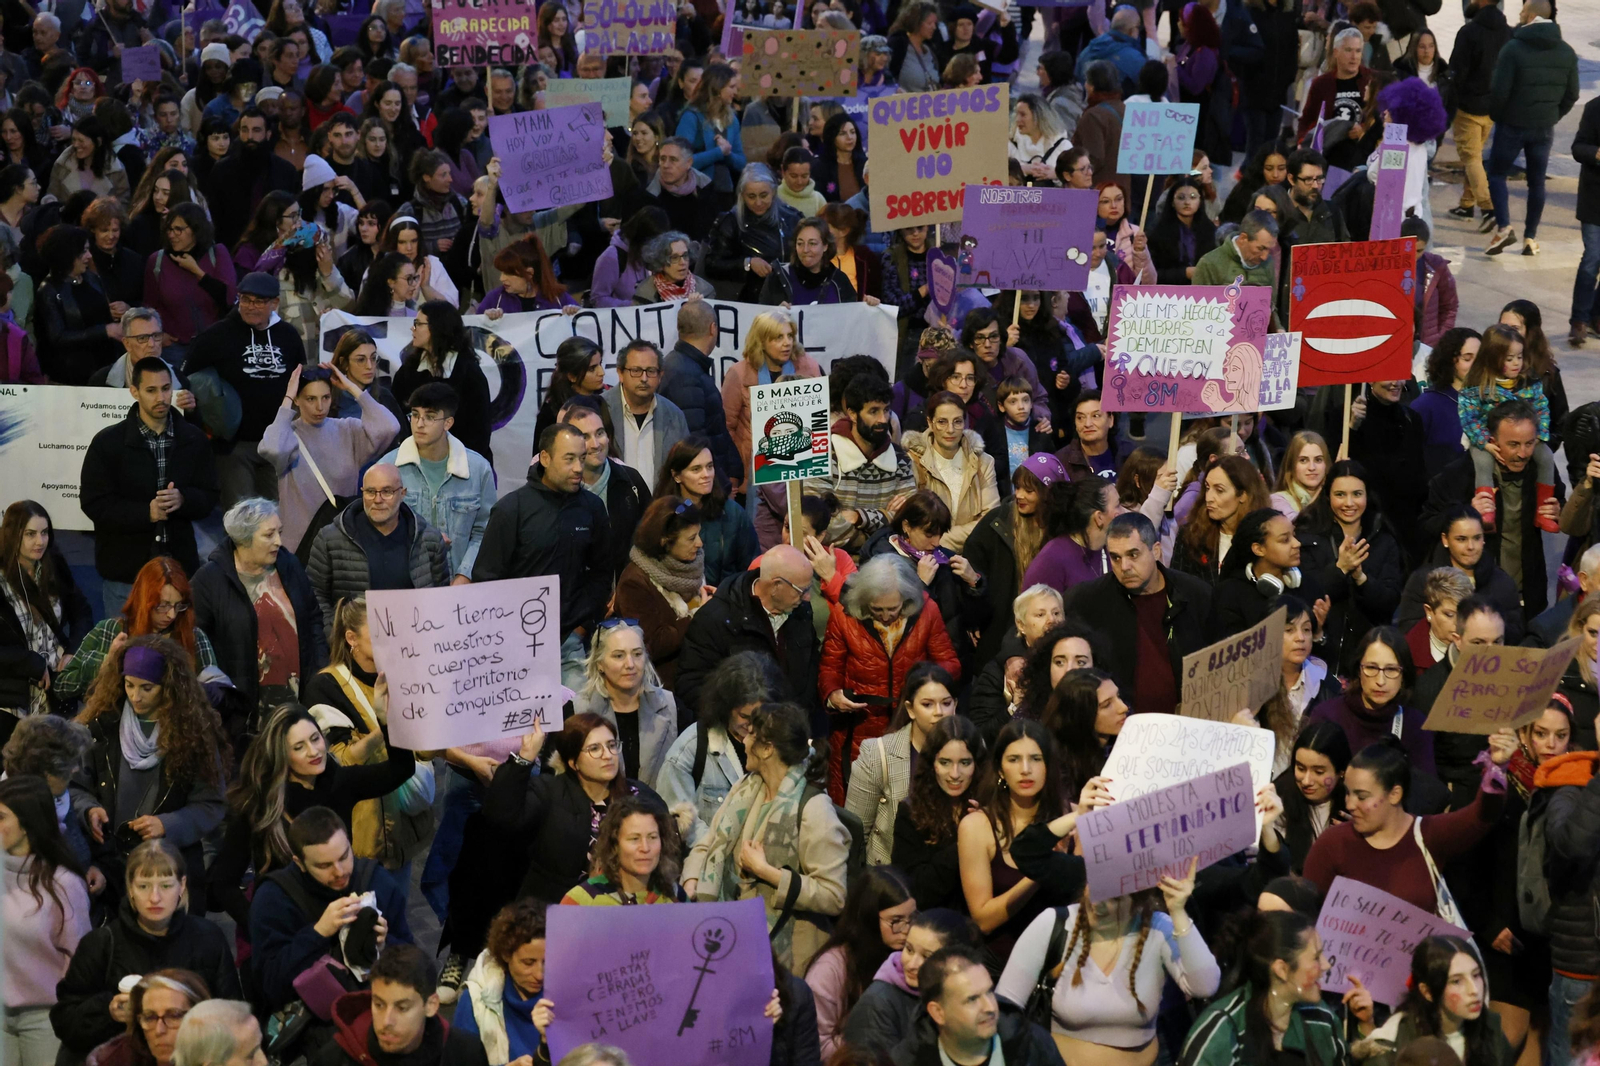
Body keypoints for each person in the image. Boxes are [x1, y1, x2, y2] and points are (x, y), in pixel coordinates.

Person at [998, 849, 1218, 1065]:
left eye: (1114, 898)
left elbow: (1205, 986)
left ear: (1137, 902)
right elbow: (1005, 1007)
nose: (1097, 903)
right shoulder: (1054, 924)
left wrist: (1178, 912)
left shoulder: (1158, 928)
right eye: (1094, 888)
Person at [683, 701, 849, 971]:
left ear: (768, 748)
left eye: (751, 735)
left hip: (788, 962)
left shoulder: (814, 809)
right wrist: (692, 881)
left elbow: (834, 895)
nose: (744, 740)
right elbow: (709, 841)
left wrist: (766, 871)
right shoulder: (746, 787)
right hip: (732, 942)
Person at [51, 842, 239, 1060]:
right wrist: (108, 1012)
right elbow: (64, 1022)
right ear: (130, 888)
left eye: (166, 886)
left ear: (182, 885)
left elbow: (233, 1018)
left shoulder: (208, 938)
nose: (155, 897)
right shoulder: (101, 944)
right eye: (144, 886)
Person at [1304, 735, 1513, 915]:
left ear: (1395, 794)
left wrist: (1496, 768)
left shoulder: (1429, 835)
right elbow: (1306, 914)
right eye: (1348, 793)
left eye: (1362, 796)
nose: (1349, 804)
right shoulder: (1332, 844)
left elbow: (1481, 817)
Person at [472, 424, 609, 690]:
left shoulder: (592, 508)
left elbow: (602, 572)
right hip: (514, 649)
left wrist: (582, 625)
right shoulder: (511, 509)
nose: (579, 468)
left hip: (570, 644)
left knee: (579, 727)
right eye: (569, 459)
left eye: (581, 459)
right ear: (545, 458)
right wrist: (508, 637)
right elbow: (486, 580)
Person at [80, 356, 218, 615]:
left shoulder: (193, 439)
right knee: (126, 651)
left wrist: (183, 500)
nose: (161, 398)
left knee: (178, 652)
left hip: (179, 571)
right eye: (151, 390)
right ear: (134, 392)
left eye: (166, 389)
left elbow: (210, 495)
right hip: (125, 575)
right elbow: (94, 503)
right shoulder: (108, 443)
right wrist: (147, 512)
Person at [820, 555, 961, 800]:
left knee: (908, 803)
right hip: (859, 729)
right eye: (877, 610)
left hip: (913, 726)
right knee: (858, 805)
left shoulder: (926, 609)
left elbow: (949, 662)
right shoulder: (845, 615)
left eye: (893, 609)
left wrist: (925, 686)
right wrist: (833, 694)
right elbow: (830, 667)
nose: (885, 616)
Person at [484, 712, 661, 904]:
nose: (607, 755)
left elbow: (668, 847)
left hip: (630, 910)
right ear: (573, 762)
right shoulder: (549, 792)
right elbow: (502, 816)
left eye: (611, 746)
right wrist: (524, 757)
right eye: (594, 748)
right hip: (555, 910)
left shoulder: (639, 795)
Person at [247, 806, 412, 1013]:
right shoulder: (274, 899)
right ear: (300, 863)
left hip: (376, 1010)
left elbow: (413, 961)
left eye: (344, 857)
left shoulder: (376, 880)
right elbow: (269, 986)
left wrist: (385, 944)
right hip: (312, 1023)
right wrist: (318, 933)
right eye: (324, 866)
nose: (340, 872)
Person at [1422, 400, 1563, 618]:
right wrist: (1464, 514)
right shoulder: (1458, 474)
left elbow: (1560, 502)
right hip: (1472, 598)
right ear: (1492, 440)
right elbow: (1426, 524)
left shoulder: (1541, 469)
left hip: (1527, 596)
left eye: (1530, 443)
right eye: (1514, 444)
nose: (1523, 453)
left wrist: (1557, 511)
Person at [1064, 512, 1212, 717]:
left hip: (1187, 727)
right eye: (1115, 557)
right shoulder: (1087, 600)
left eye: (1133, 555)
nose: (1124, 567)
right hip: (1120, 732)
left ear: (1156, 551)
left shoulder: (1196, 595)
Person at [191, 498, 324, 717]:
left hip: (300, 703)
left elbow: (313, 618)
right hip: (243, 712)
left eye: (279, 532)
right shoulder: (209, 581)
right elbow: (195, 640)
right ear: (244, 539)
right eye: (269, 535)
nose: (279, 541)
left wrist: (319, 671)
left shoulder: (288, 565)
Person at [183, 272, 303, 509]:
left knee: (280, 517)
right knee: (242, 518)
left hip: (278, 442)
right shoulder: (217, 334)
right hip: (234, 446)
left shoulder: (288, 335)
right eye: (245, 299)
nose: (251, 306)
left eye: (259, 301)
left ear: (274, 304)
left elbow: (301, 379)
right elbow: (185, 374)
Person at [676, 543, 820, 731]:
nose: (808, 597)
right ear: (776, 585)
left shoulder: (801, 611)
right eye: (802, 590)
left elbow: (811, 666)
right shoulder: (716, 618)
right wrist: (739, 720)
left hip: (789, 734)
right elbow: (690, 683)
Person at [1179, 910, 1352, 1066]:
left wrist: (1366, 1027)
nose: (1326, 965)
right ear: (1282, 970)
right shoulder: (1221, 1032)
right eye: (1316, 957)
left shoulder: (1321, 1019)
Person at [261, 364, 401, 554]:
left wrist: (353, 388)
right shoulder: (288, 435)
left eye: (325, 397)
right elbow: (272, 450)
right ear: (298, 399)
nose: (320, 406)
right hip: (299, 546)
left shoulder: (347, 430)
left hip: (342, 542)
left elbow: (390, 427)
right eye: (311, 399)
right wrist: (287, 398)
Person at [958, 719, 1063, 972]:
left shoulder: (1071, 820)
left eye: (1036, 759)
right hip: (999, 965)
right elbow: (983, 920)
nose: (1026, 769)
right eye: (1014, 759)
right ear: (1001, 770)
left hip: (1063, 964)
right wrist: (1039, 872)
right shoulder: (977, 826)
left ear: (1049, 765)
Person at [0, 774, 90, 1066]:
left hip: (46, 1018)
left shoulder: (64, 884)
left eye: (1, 817)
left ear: (27, 824)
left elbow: (81, 961)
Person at [305, 462, 450, 635]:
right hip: (353, 649)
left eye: (387, 491)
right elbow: (315, 594)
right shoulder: (330, 539)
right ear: (362, 492)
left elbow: (441, 597)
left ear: (402, 493)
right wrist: (335, 637)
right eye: (371, 492)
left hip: (413, 648)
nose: (378, 499)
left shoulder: (429, 540)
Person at [1483, 0, 1579, 257]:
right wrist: (1553, 115)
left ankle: (1504, 227)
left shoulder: (1513, 49)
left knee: (1496, 173)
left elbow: (1499, 92)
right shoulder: (1567, 52)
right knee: (1537, 183)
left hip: (1512, 125)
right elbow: (1572, 94)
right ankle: (1530, 237)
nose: (1519, 14)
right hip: (1544, 127)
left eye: (1523, 11)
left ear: (1532, 16)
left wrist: (1498, 116)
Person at [1293, 461, 1404, 671]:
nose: (1349, 503)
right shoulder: (1308, 536)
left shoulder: (1383, 539)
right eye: (1340, 494)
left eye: (1357, 494)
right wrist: (1340, 569)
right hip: (1319, 650)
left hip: (1368, 653)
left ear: (1367, 495)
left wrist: (1361, 579)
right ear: (1328, 496)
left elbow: (1390, 601)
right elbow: (1304, 594)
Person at [844, 662, 958, 867]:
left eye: (946, 703)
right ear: (910, 709)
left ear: (955, 705)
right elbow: (854, 833)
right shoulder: (878, 754)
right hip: (891, 878)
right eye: (927, 704)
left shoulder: (973, 749)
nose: (939, 712)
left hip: (951, 875)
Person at [379, 382, 494, 584]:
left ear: (448, 423)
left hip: (459, 586)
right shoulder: (388, 468)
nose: (419, 424)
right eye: (415, 415)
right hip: (405, 586)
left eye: (430, 417)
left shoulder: (477, 469)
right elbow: (376, 530)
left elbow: (485, 531)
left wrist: (464, 575)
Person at [890, 944, 1066, 1066]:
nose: (990, 1007)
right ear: (938, 1013)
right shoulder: (906, 1061)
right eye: (972, 999)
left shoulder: (1034, 1044)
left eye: (989, 992)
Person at [842, 909, 984, 1056]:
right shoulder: (876, 1004)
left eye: (926, 956)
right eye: (909, 950)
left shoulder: (965, 997)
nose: (912, 964)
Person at [805, 868, 914, 1057]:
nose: (907, 929)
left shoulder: (910, 956)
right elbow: (818, 1045)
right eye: (896, 921)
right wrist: (872, 1040)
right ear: (868, 918)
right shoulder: (830, 969)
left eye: (912, 918)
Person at [320, 943, 488, 1066]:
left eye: (402, 1008)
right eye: (379, 1005)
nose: (386, 1021)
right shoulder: (334, 1058)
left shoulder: (466, 1054)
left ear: (431, 1005)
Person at [1358, 936, 1513, 1066]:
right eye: (1457, 981)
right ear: (1427, 992)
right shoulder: (1392, 1045)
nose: (1474, 990)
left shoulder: (1491, 1029)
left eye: (1476, 975)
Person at [891, 716, 987, 912]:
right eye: (945, 762)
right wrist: (967, 841)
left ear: (977, 765)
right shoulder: (911, 812)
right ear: (931, 764)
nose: (954, 773)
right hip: (932, 924)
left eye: (965, 763)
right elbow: (915, 892)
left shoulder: (990, 807)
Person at [391, 301, 492, 464]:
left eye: (418, 324)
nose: (413, 329)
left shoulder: (469, 373)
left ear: (437, 327)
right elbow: (397, 418)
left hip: (462, 464)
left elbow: (480, 430)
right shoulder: (408, 370)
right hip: (415, 462)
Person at [828, 374, 918, 552]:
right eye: (873, 411)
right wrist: (884, 520)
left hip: (885, 563)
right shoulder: (825, 455)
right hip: (831, 561)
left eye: (886, 410)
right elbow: (820, 526)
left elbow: (911, 522)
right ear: (852, 413)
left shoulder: (901, 459)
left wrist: (860, 517)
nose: (883, 419)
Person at [658, 300, 743, 487]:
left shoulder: (686, 367)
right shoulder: (685, 374)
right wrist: (720, 484)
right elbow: (695, 440)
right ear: (713, 328)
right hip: (704, 488)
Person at [902, 391, 999, 554]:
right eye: (942, 422)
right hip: (923, 556)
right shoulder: (913, 461)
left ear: (965, 423)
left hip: (970, 555)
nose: (950, 429)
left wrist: (940, 541)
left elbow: (990, 519)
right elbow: (912, 523)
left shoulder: (983, 462)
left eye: (957, 422)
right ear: (930, 423)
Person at [1449, 0, 1513, 235]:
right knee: (1475, 157)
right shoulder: (1508, 31)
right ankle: (1467, 205)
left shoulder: (1469, 32)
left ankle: (1488, 209)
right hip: (1492, 107)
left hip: (1468, 107)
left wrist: (1448, 99)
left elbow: (1456, 72)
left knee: (1471, 157)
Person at [454, 900, 547, 1063]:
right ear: (505, 954)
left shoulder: (571, 993)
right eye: (528, 963)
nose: (539, 975)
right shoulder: (475, 1003)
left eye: (548, 962)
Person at [558, 793, 685, 905]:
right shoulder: (582, 901)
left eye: (652, 837)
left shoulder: (675, 895)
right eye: (634, 839)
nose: (645, 848)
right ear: (615, 844)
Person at [1274, 719, 1353, 873]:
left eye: (1319, 772)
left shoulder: (1355, 808)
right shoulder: (1280, 798)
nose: (1306, 781)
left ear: (1341, 772)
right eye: (1300, 768)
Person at [603, 340, 688, 484]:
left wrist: (677, 507)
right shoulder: (600, 410)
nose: (644, 378)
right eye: (636, 371)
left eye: (651, 371)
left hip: (659, 504)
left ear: (660, 375)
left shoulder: (674, 415)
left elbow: (685, 466)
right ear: (620, 373)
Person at [1024, 477, 1117, 597]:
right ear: (1099, 517)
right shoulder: (1050, 561)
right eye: (1118, 505)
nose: (1124, 511)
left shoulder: (1112, 550)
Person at [1413, 329, 1479, 479]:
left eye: (1480, 359)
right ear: (1450, 360)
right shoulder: (1426, 405)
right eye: (1467, 359)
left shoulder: (1491, 400)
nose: (1476, 366)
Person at [1148, 177, 1218, 283]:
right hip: (1168, 293)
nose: (1187, 202)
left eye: (1193, 197)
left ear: (1200, 201)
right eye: (1181, 197)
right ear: (1172, 202)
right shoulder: (1158, 233)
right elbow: (1152, 274)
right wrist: (1184, 273)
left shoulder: (1211, 231)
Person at [1191, 209, 1277, 289]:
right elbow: (1198, 303)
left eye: (1269, 250)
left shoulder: (1268, 263)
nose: (1264, 257)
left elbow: (1271, 304)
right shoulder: (1209, 264)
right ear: (1243, 238)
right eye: (1260, 248)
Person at [1269, 431, 1330, 522]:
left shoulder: (1334, 499)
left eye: (1318, 460)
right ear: (1292, 464)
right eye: (1303, 460)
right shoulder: (1277, 500)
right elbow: (1297, 526)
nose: (1312, 467)